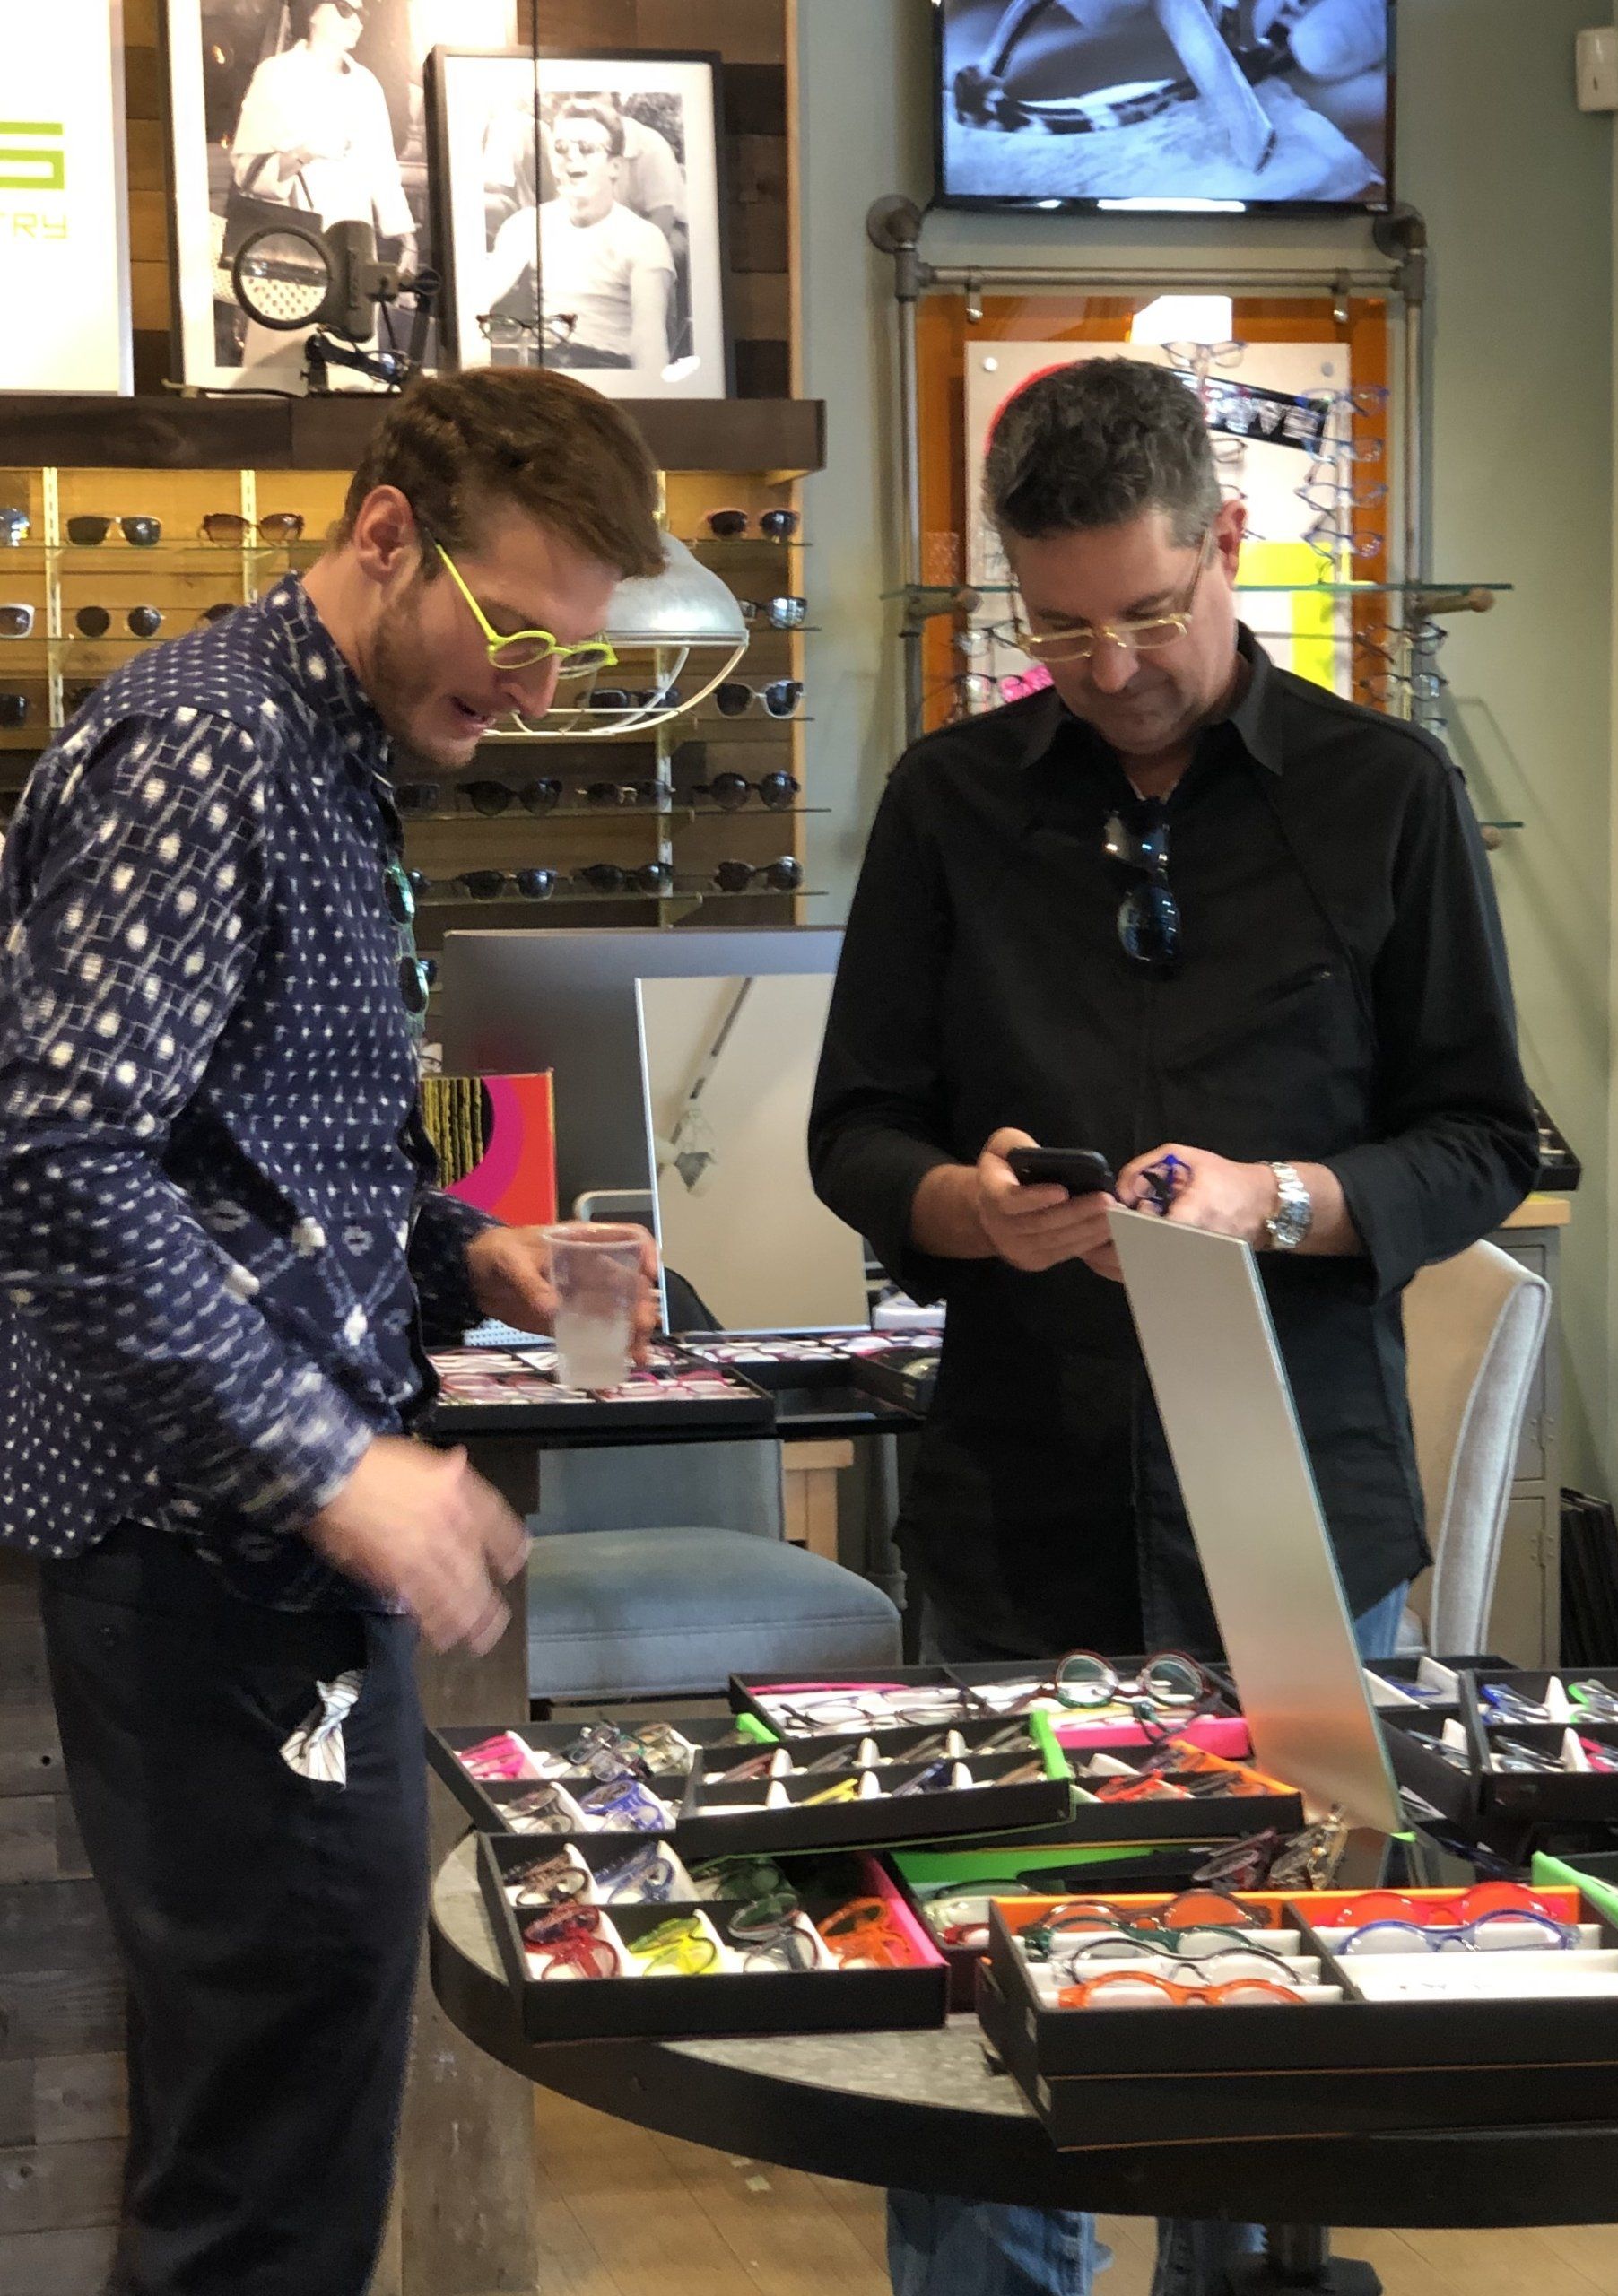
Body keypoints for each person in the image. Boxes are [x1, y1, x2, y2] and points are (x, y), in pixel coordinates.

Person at [809, 356, 1539, 2296]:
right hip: (1018, 1508)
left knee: (1265, 2052)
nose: (1109, 661)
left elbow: (1482, 1137)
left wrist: (1278, 1201)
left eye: (1146, 607)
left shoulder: (1386, 795)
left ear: (1230, 545)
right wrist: (967, 1204)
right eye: (1058, 625)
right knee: (988, 2059)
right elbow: (852, 1128)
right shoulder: (951, 802)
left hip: (1301, 1524)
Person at [0, 366, 665, 2296]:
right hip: (216, 1558)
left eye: (575, 653)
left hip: (254, 1545)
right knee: (267, 2179)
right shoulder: (206, 749)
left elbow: (244, 1146)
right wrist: (333, 1463)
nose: (540, 690)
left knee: (269, 2120)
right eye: (521, 633)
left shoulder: (314, 747)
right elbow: (54, 1156)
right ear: (389, 535)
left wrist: (467, 1251)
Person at [227, 0, 416, 376]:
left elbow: (383, 168)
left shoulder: (366, 84)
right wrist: (304, 153)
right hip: (293, 241)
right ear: (313, 12)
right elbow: (246, 168)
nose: (356, 21)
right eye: (345, 9)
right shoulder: (277, 74)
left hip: (353, 243)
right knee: (284, 364)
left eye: (362, 14)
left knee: (352, 362)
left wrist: (406, 237)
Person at [484, 95, 675, 377]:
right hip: (543, 372)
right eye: (561, 148)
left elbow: (648, 343)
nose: (571, 157)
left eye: (587, 148)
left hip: (611, 372)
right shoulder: (525, 226)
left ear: (615, 166)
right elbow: (477, 299)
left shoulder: (643, 238)